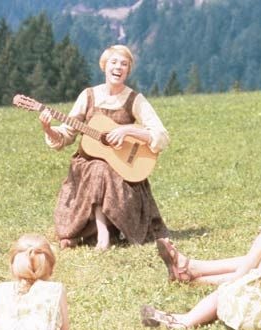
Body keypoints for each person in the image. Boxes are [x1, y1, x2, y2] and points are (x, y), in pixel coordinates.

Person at [141, 183, 261, 330]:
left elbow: (242, 275)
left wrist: (225, 288)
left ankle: (184, 321)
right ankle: (188, 272)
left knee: (225, 292)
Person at [39, 44, 170, 251]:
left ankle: (102, 235)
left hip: (122, 168)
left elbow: (161, 136)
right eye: (114, 62)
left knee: (103, 170)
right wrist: (48, 128)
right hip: (86, 166)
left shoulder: (134, 99)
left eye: (124, 64)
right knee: (98, 169)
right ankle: (100, 231)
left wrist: (128, 131)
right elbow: (66, 134)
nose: (118, 67)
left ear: (128, 70)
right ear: (104, 66)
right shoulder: (88, 96)